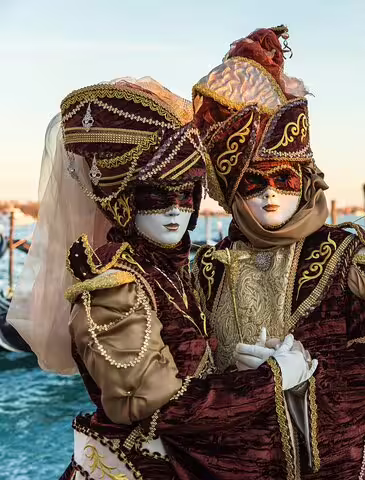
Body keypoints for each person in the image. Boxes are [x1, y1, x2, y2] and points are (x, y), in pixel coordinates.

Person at [8, 78, 315, 479]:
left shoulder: (172, 272)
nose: (174, 211)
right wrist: (274, 378)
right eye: (156, 197)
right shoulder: (112, 287)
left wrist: (247, 366)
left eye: (185, 195)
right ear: (124, 203)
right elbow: (156, 408)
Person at [191, 25, 365, 479]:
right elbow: (186, 377)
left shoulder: (341, 258)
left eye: (285, 180)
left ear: (306, 181)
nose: (271, 195)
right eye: (255, 183)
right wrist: (237, 379)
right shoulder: (209, 268)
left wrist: (302, 384)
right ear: (233, 192)